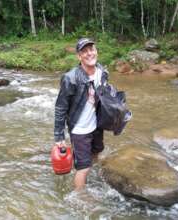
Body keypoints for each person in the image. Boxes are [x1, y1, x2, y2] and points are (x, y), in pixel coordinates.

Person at [54, 38, 108, 191]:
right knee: (83, 167)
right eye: (84, 51)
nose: (89, 53)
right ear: (79, 56)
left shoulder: (102, 71)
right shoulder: (70, 78)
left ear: (96, 51)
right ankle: (81, 198)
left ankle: (93, 176)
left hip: (97, 124)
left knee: (97, 152)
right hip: (79, 129)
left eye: (91, 49)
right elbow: (60, 107)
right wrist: (59, 137)